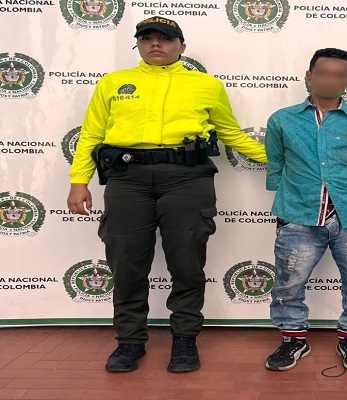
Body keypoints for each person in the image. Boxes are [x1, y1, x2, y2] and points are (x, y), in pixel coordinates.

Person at [66, 16, 267, 373]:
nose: (156, 44)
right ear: (138, 45)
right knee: (126, 263)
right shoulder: (113, 83)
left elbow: (232, 134)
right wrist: (78, 180)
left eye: (165, 38)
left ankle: (185, 339)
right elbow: (92, 135)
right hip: (127, 180)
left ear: (181, 46)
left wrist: (280, 159)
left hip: (186, 179)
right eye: (147, 38)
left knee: (187, 262)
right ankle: (129, 341)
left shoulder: (207, 85)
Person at [264, 48, 347, 372]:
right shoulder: (282, 119)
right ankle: (293, 339)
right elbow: (276, 162)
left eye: (338, 75)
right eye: (323, 73)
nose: (330, 80)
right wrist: (292, 195)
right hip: (297, 214)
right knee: (289, 282)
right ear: (309, 76)